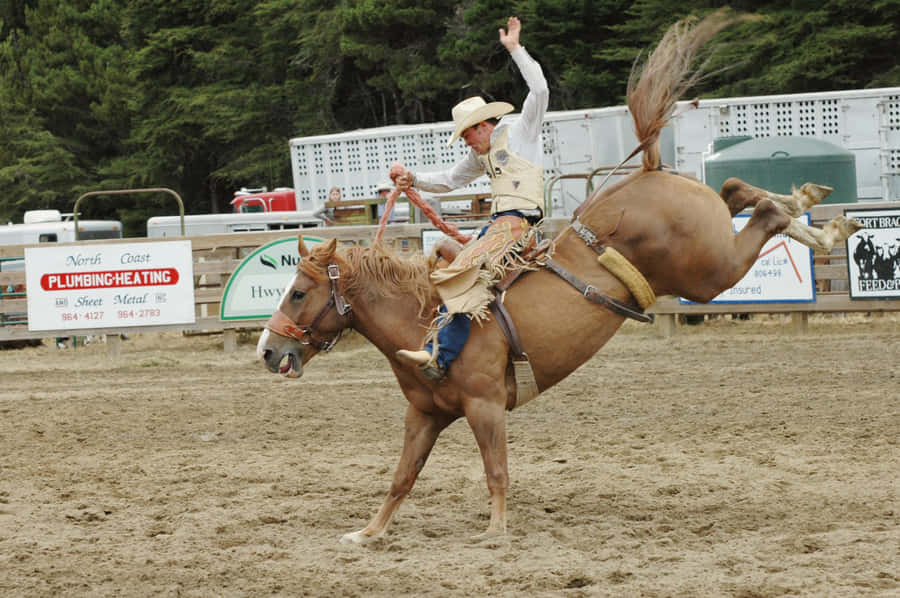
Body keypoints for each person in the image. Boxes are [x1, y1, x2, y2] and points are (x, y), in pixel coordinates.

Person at [393, 16, 548, 380]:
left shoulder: (522, 131)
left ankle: (440, 357)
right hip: (500, 226)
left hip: (515, 225)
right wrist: (412, 178)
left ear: (482, 126)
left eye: (466, 136)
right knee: (449, 253)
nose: (466, 143)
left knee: (462, 270)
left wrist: (515, 49)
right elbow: (449, 180)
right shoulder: (482, 153)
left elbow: (539, 90)